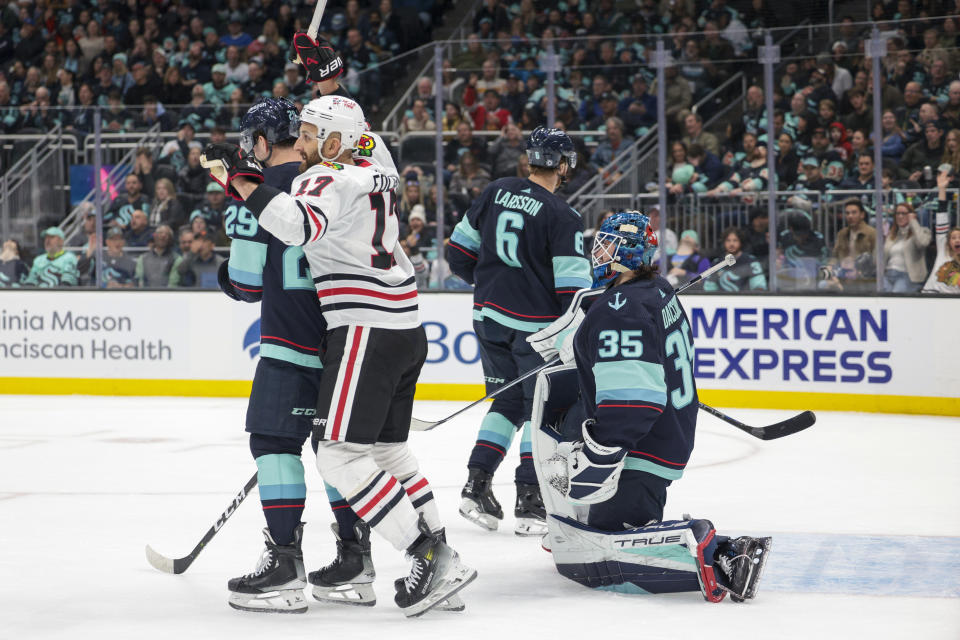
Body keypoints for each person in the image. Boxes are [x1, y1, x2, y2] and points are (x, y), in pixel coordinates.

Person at [211, 93, 476, 617]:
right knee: (384, 453)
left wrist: (240, 181)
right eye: (301, 134)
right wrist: (327, 82)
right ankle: (381, 555)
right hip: (400, 326)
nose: (305, 143)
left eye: (314, 136)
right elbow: (360, 136)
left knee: (328, 453)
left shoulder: (315, 181)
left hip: (351, 332)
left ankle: (423, 555)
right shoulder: (376, 167)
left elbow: (283, 238)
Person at [527, 211, 771, 602]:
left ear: (625, 253)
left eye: (606, 246)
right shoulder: (654, 289)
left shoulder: (620, 311)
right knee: (589, 538)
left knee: (596, 561)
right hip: (665, 435)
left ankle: (720, 551)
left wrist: (599, 455)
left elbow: (632, 405)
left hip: (639, 449)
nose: (599, 254)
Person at [445, 126, 592, 537]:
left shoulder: (495, 190)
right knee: (535, 411)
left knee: (505, 404)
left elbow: (456, 253)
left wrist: (492, 283)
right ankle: (530, 498)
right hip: (534, 332)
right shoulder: (563, 216)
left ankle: (476, 486)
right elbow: (573, 291)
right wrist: (574, 334)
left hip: (487, 318)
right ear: (562, 166)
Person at [923, 169, 960, 293]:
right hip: (930, 295)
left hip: (951, 304)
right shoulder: (943, 250)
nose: (957, 240)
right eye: (953, 238)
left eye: (959, 238)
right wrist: (942, 190)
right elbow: (942, 216)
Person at [883, 201, 932, 292]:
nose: (900, 216)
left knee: (894, 297)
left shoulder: (923, 232)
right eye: (897, 213)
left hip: (907, 276)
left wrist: (913, 222)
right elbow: (882, 258)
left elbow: (922, 243)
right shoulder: (891, 235)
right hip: (888, 274)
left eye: (904, 213)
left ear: (911, 215)